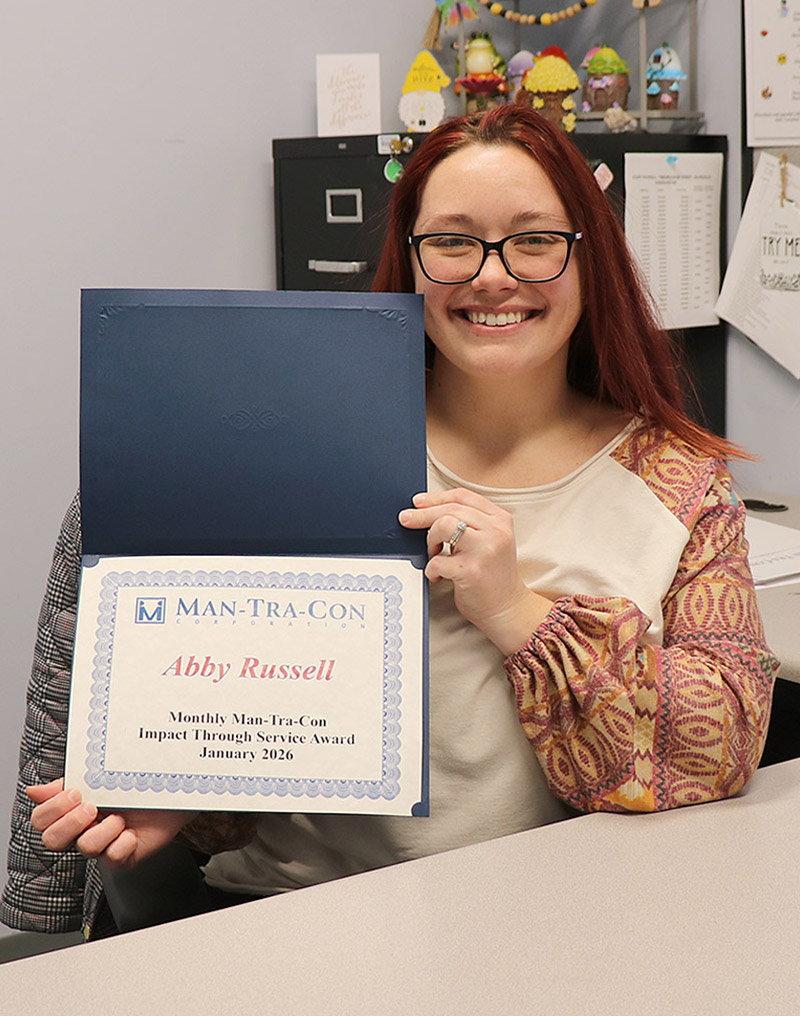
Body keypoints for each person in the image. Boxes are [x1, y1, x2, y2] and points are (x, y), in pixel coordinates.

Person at [2, 106, 778, 939]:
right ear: (408, 260)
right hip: (285, 921)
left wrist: (518, 614)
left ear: (589, 256)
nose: (493, 275)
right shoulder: (300, 439)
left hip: (554, 922)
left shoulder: (681, 484)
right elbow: (236, 672)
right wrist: (181, 792)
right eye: (452, 241)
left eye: (534, 239)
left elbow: (718, 745)